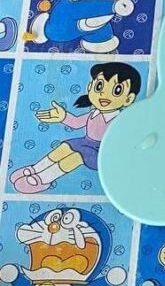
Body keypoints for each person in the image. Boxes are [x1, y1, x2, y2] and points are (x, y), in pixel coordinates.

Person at [10, 62, 141, 192]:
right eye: (99, 86)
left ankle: (42, 179)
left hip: (101, 151)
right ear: (90, 87)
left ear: (128, 99)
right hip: (85, 142)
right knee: (64, 147)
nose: (104, 95)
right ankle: (35, 169)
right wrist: (63, 117)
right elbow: (76, 122)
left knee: (76, 157)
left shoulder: (120, 120)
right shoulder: (93, 113)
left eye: (117, 91)